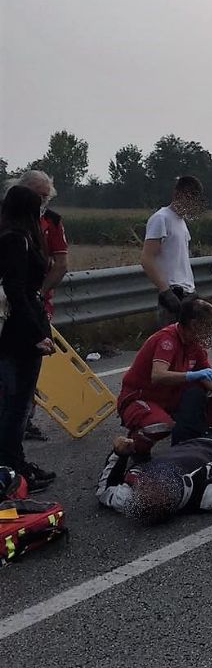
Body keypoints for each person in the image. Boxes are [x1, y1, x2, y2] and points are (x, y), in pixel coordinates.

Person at [116, 297, 212, 456]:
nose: (211, 330)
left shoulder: (193, 344)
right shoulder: (167, 340)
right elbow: (158, 375)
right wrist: (191, 375)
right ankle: (135, 448)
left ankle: (189, 440)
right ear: (194, 324)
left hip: (166, 396)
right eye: (208, 325)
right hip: (140, 398)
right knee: (160, 425)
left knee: (206, 391)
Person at [0, 186, 57, 491]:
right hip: (18, 334)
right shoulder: (17, 240)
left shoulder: (8, 235)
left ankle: (13, 462)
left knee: (13, 403)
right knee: (16, 404)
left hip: (15, 330)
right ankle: (11, 469)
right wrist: (36, 334)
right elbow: (16, 291)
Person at [11, 171, 69, 441]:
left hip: (35, 302)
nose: (41, 200)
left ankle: (23, 419)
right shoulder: (9, 220)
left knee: (27, 366)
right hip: (12, 301)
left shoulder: (52, 221)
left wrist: (39, 292)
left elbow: (60, 263)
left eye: (45, 196)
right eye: (37, 195)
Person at [97, 434, 212, 521]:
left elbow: (103, 491)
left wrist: (119, 454)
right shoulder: (206, 496)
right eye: (157, 484)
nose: (147, 480)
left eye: (145, 483)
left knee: (192, 389)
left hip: (187, 439)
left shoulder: (130, 498)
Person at [141, 175, 204, 326]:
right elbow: (146, 259)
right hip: (173, 295)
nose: (191, 205)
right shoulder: (161, 219)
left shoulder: (181, 222)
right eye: (188, 199)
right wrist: (166, 292)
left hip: (188, 293)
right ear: (177, 195)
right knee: (171, 344)